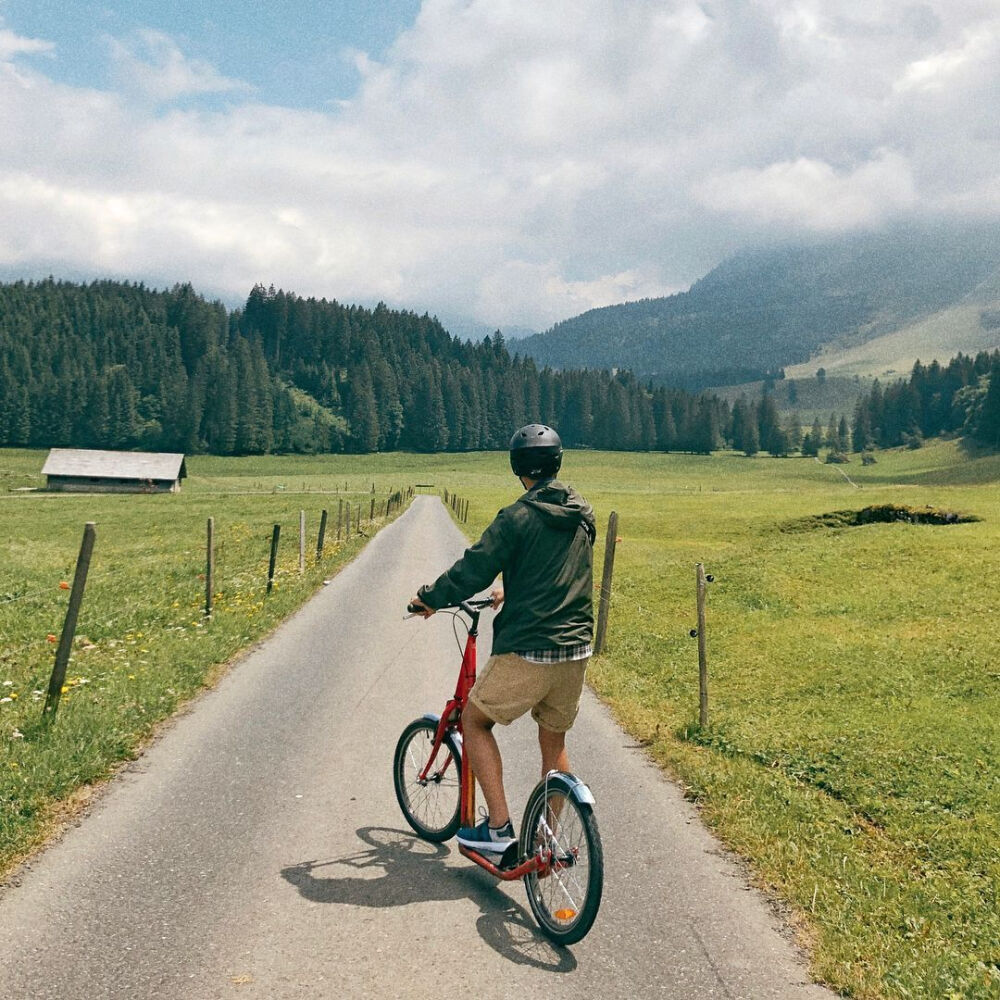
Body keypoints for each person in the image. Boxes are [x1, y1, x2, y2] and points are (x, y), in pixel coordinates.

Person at [410, 424, 596, 855]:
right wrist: (510, 589)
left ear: (517, 467)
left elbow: (471, 571)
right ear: (558, 462)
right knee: (554, 740)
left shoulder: (515, 519)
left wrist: (429, 598)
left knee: (475, 721)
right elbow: (564, 573)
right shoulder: (581, 514)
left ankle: (497, 829)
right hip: (576, 651)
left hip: (530, 648)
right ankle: (546, 839)